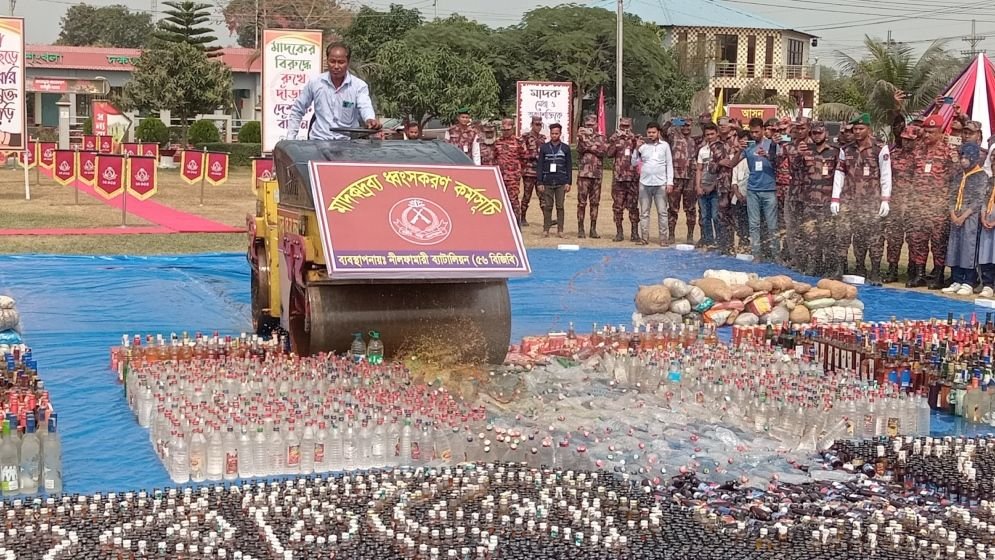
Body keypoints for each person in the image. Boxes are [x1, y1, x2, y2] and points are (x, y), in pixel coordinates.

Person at [831, 113, 891, 285]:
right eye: (854, 129)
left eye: (860, 128)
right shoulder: (846, 149)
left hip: (872, 201)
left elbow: (886, 174)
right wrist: (835, 199)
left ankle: (876, 271)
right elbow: (840, 173)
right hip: (849, 200)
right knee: (848, 235)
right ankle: (856, 267)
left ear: (868, 129)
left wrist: (885, 199)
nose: (857, 132)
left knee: (874, 237)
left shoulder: (880, 148)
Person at [285, 43, 380, 141]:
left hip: (347, 145)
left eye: (341, 62)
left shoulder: (359, 86)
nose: (336, 66)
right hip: (319, 142)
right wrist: (290, 139)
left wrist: (370, 119)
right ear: (327, 61)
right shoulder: (315, 83)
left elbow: (365, 106)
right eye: (332, 61)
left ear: (348, 62)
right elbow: (297, 110)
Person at [909, 114, 957, 290]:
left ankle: (938, 276)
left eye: (931, 131)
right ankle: (920, 274)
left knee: (938, 243)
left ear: (940, 132)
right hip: (919, 205)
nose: (927, 135)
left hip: (938, 207)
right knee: (918, 240)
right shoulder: (918, 150)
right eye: (926, 131)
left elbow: (954, 179)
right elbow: (911, 174)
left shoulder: (948, 152)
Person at [792, 121, 840, 277]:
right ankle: (813, 266)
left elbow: (840, 175)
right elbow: (795, 171)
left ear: (825, 133)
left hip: (827, 202)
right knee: (811, 237)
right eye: (814, 133)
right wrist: (798, 154)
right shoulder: (806, 151)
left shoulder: (834, 152)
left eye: (819, 133)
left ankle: (830, 268)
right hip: (809, 201)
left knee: (828, 237)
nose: (816, 136)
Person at [943, 143, 988, 296]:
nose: (963, 160)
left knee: (968, 248)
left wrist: (963, 216)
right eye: (961, 157)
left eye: (966, 157)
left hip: (970, 218)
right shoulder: (958, 175)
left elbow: (978, 199)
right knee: (954, 246)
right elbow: (951, 196)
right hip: (955, 216)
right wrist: (953, 214)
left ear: (974, 158)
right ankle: (956, 279)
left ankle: (968, 281)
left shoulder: (981, 176)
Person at [632, 122, 674, 246]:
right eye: (649, 132)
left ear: (658, 133)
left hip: (661, 183)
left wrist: (670, 182)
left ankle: (663, 239)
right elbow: (634, 163)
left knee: (662, 212)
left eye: (653, 132)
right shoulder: (643, 147)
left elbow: (669, 164)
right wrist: (636, 148)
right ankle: (644, 238)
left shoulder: (665, 146)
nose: (651, 135)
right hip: (644, 183)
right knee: (644, 212)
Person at [744, 117, 779, 262]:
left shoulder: (772, 144)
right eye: (752, 132)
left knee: (772, 225)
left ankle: (776, 255)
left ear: (763, 130)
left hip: (769, 189)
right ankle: (756, 254)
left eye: (757, 132)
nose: (754, 135)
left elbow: (779, 162)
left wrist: (769, 156)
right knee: (754, 225)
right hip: (752, 190)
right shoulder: (748, 146)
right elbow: (733, 162)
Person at [887, 125, 919, 285]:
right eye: (904, 139)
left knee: (914, 239)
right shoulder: (894, 155)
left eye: (910, 140)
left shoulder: (920, 157)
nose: (906, 143)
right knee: (894, 238)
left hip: (913, 205)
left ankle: (913, 271)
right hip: (895, 203)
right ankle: (892, 269)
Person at [536, 123, 572, 238]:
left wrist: (568, 182)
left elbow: (569, 166)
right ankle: (546, 229)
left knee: (560, 206)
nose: (554, 135)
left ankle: (560, 230)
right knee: (548, 206)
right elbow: (540, 165)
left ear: (560, 134)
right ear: (550, 134)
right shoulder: (544, 148)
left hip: (561, 182)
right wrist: (540, 182)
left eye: (556, 133)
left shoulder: (566, 148)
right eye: (552, 133)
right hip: (547, 181)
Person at [608, 117, 640, 242]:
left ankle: (634, 233)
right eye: (622, 126)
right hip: (619, 178)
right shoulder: (615, 139)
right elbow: (609, 154)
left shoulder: (635, 139)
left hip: (632, 178)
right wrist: (616, 141)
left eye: (627, 126)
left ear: (630, 126)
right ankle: (619, 232)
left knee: (633, 206)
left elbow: (641, 154)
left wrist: (635, 143)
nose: (624, 129)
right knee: (617, 207)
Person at [666, 117, 698, 244]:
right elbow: (663, 130)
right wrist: (673, 121)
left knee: (690, 209)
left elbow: (708, 129)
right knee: (673, 208)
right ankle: (671, 235)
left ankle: (690, 236)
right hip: (676, 177)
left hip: (690, 178)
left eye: (688, 126)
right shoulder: (674, 137)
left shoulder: (695, 140)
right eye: (683, 126)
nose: (685, 128)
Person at [576, 114, 608, 238]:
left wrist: (589, 147)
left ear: (596, 124)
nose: (590, 127)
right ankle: (580, 228)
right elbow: (580, 150)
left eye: (592, 124)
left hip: (597, 174)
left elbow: (603, 151)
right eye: (588, 125)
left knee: (595, 203)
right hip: (584, 174)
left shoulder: (601, 137)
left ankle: (593, 229)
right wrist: (591, 145)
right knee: (581, 203)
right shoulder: (581, 137)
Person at [495, 118, 527, 224]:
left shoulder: (518, 141)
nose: (505, 132)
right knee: (500, 199)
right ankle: (502, 222)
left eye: (507, 129)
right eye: (503, 130)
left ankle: (516, 222)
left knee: (513, 199)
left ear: (512, 129)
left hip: (513, 177)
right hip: (500, 176)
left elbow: (524, 157)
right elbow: (495, 157)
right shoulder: (497, 142)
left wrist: (517, 170)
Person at [519, 116, 546, 227]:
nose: (538, 127)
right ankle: (522, 217)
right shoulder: (525, 137)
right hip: (529, 171)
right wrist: (533, 156)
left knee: (543, 195)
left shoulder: (543, 138)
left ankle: (547, 218)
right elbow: (522, 152)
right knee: (527, 196)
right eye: (536, 124)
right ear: (532, 124)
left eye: (540, 125)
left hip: (540, 171)